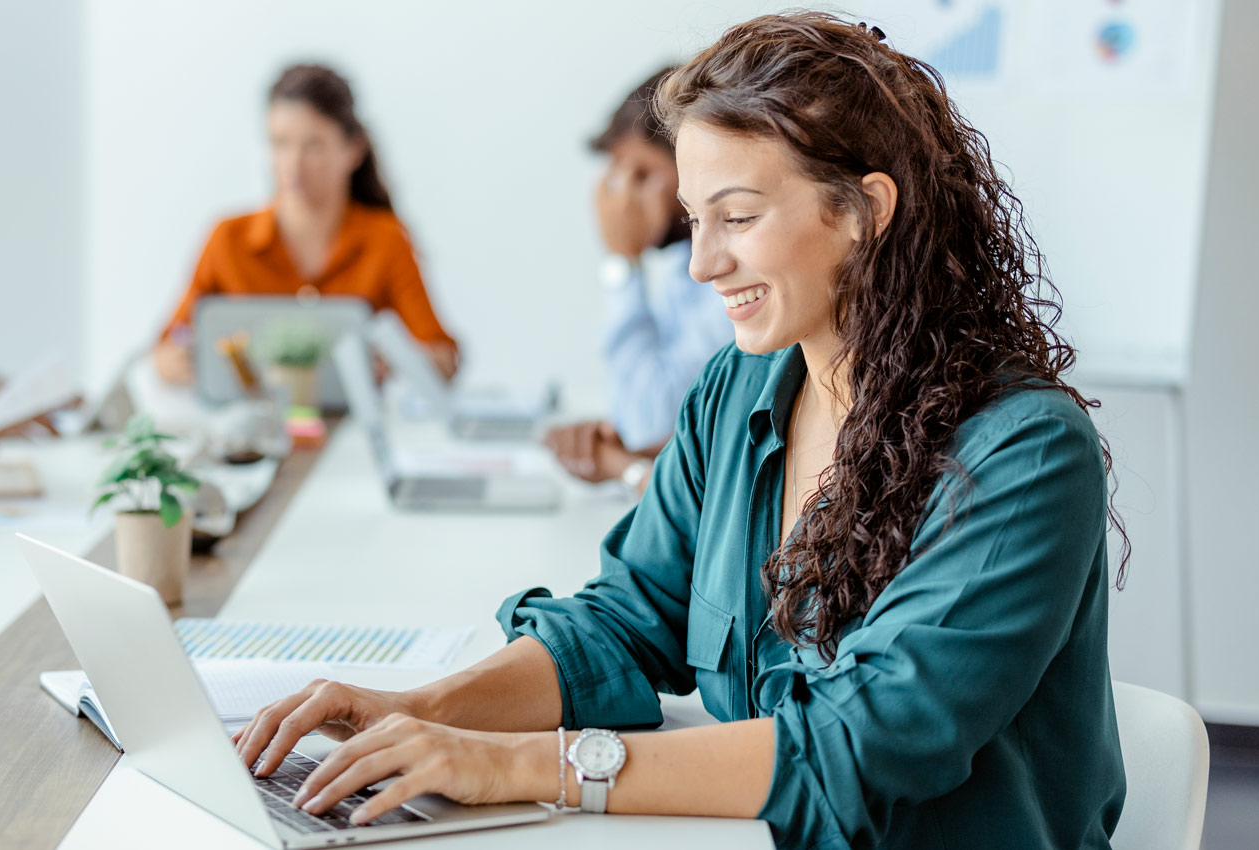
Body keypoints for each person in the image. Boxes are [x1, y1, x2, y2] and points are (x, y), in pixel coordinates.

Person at [230, 13, 1128, 849]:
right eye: (696, 221)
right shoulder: (738, 388)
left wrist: (511, 763)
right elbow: (626, 620)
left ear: (864, 212)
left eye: (737, 218)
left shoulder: (1023, 453)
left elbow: (860, 745)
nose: (701, 262)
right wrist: (417, 711)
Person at [152, 64, 458, 385]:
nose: (294, 163)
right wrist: (181, 361)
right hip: (255, 424)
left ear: (353, 150)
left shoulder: (386, 240)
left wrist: (396, 362)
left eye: (313, 145)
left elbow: (443, 356)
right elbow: (165, 351)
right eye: (280, 143)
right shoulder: (227, 238)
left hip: (351, 428)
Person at [543, 68, 736, 492]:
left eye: (644, 175)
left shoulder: (731, 279)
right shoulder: (678, 265)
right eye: (619, 176)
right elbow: (638, 431)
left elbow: (648, 423)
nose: (624, 198)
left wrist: (621, 262)